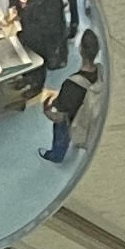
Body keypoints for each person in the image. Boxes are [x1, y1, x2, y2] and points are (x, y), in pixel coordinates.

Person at [41, 25, 98, 165]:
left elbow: (59, 113)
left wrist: (47, 103)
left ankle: (56, 155)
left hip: (72, 118)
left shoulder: (72, 83)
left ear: (80, 50)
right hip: (89, 114)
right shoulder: (101, 74)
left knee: (61, 129)